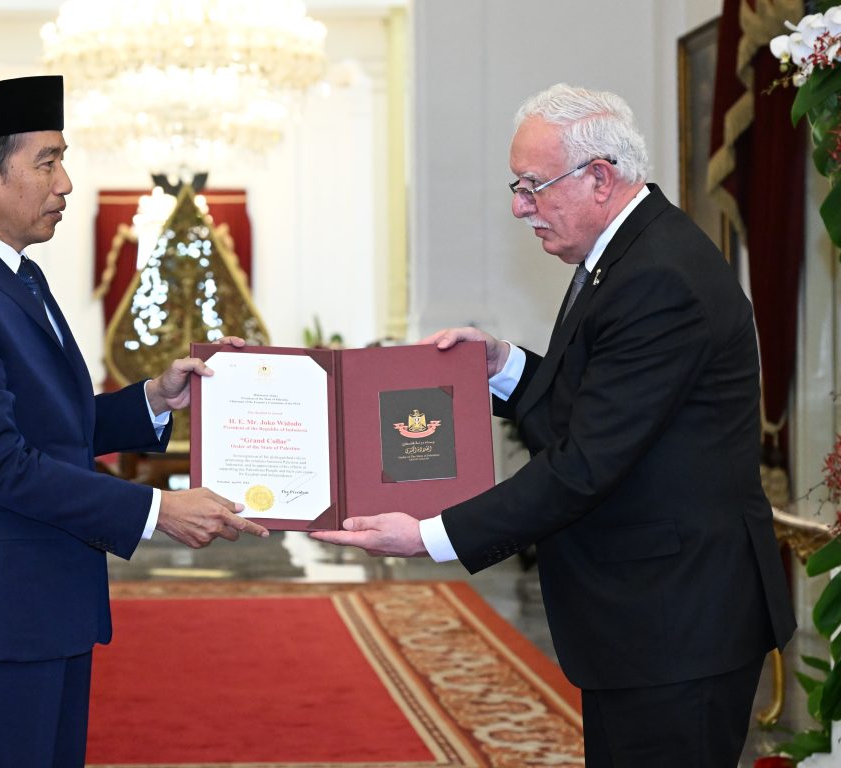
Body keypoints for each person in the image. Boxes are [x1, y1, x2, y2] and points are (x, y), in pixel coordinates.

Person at [312, 83, 795, 766]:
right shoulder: (625, 256)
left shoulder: (658, 278)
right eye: (518, 186)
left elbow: (585, 463)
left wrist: (429, 534)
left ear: (599, 177)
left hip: (676, 620)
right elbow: (593, 406)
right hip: (652, 613)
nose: (519, 207)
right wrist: (500, 366)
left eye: (532, 187)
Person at [0, 75, 269, 767]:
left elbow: (55, 426)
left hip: (48, 593)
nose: (65, 183)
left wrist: (157, 398)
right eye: (47, 162)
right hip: (2, 602)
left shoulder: (16, 277)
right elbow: (2, 464)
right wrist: (158, 508)